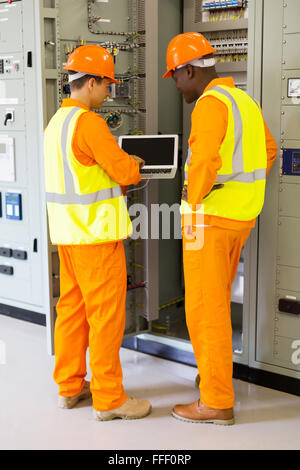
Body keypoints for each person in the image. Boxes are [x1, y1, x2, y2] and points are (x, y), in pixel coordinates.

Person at [163, 33, 277, 425]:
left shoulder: (210, 105)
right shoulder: (243, 100)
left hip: (207, 222)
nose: (176, 86)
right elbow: (270, 149)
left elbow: (205, 161)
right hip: (240, 218)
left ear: (189, 70)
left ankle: (215, 401)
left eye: (174, 77)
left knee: (203, 310)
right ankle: (212, 376)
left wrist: (192, 203)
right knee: (217, 305)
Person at [44, 45, 151, 421]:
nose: (110, 93)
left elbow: (83, 174)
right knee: (106, 317)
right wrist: (134, 164)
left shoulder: (56, 122)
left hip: (68, 236)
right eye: (107, 85)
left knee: (71, 312)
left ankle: (69, 387)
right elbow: (124, 173)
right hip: (97, 237)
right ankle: (110, 399)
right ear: (90, 82)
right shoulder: (89, 123)